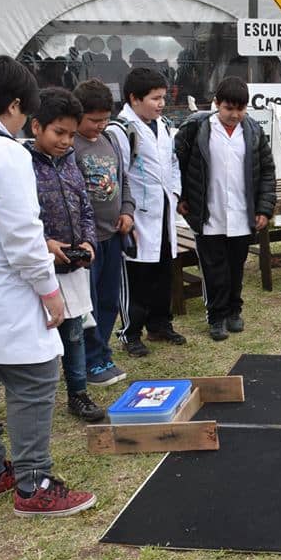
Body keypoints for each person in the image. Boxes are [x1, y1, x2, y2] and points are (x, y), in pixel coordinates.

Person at [0, 55, 96, 516]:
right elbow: (23, 236)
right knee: (35, 376)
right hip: (0, 287)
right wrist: (50, 292)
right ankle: (35, 484)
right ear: (14, 105)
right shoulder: (3, 152)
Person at [26, 88, 106, 422]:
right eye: (59, 132)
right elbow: (19, 221)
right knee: (39, 337)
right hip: (40, 268)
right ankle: (33, 401)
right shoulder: (21, 165)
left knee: (74, 333)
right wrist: (46, 244)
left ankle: (78, 393)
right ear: (35, 127)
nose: (66, 141)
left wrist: (88, 242)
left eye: (71, 135)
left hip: (73, 266)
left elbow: (85, 207)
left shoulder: (71, 162)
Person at [175, 77, 277, 341]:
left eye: (241, 109)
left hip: (243, 212)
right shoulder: (197, 127)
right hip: (209, 212)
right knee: (213, 268)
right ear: (216, 103)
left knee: (236, 265)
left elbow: (267, 171)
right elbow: (179, 164)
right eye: (229, 108)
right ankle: (216, 316)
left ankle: (234, 310)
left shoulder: (253, 131)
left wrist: (264, 209)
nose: (235, 115)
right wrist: (183, 196)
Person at [109, 67, 186, 356]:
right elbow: (118, 174)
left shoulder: (164, 125)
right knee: (138, 273)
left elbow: (173, 162)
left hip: (164, 210)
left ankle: (160, 324)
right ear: (134, 98)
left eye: (163, 98)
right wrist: (125, 210)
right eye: (155, 98)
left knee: (163, 270)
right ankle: (131, 331)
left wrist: (175, 192)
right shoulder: (121, 130)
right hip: (137, 214)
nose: (161, 104)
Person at [72, 79, 134, 387]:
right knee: (89, 305)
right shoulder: (71, 146)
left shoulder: (109, 140)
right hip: (88, 242)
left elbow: (124, 180)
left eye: (104, 119)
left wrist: (127, 211)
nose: (100, 125)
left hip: (113, 236)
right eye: (93, 120)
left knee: (110, 299)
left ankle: (102, 353)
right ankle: (89, 360)